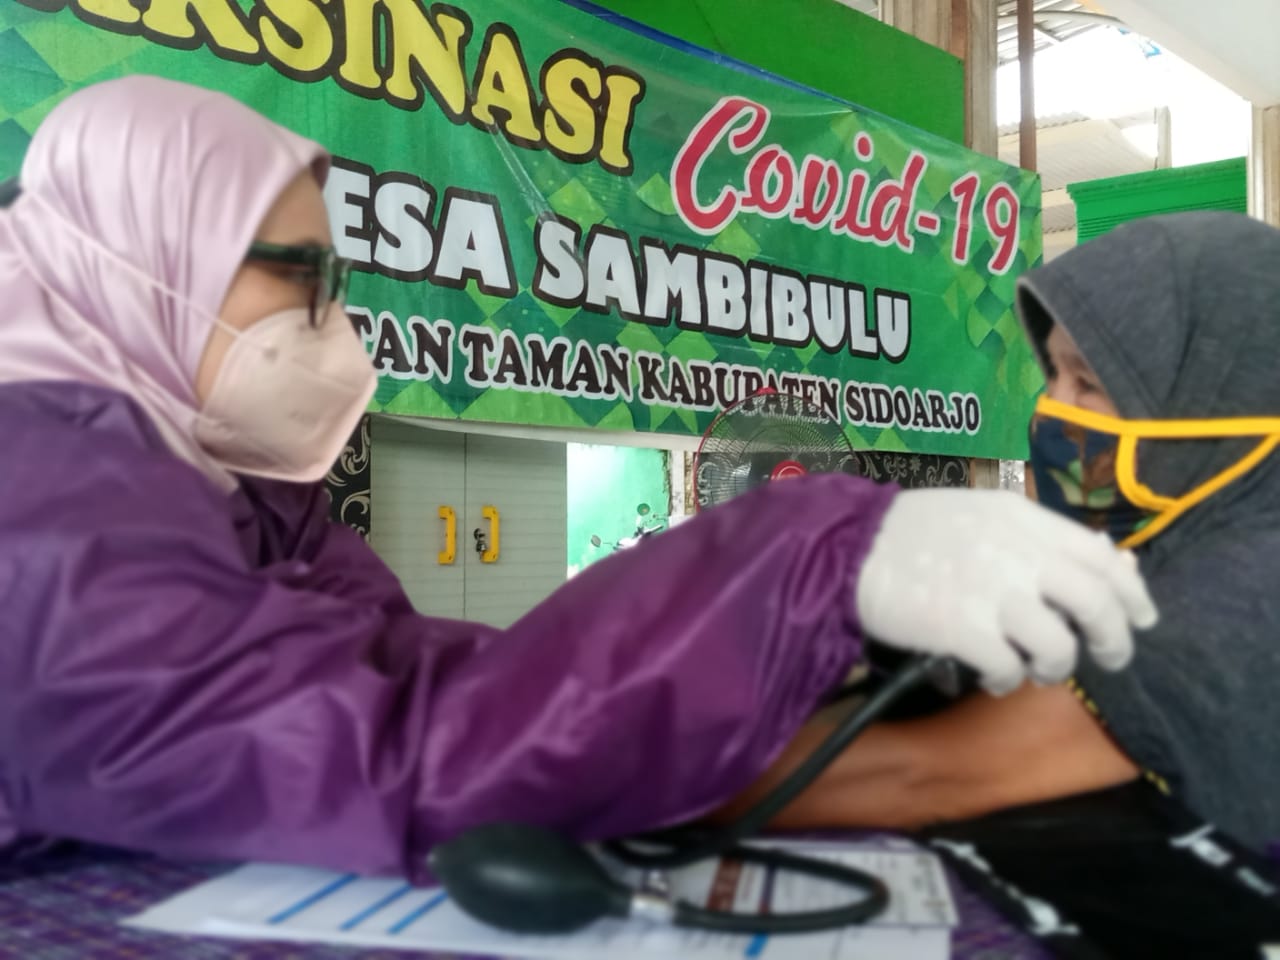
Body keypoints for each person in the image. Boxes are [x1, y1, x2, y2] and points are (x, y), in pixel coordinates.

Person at [0, 76, 1153, 881]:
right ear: (136, 257)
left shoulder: (229, 485)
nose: (333, 324)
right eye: (300, 275)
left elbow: (409, 671)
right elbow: (377, 748)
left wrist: (771, 662)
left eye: (337, 281)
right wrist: (809, 560)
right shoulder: (39, 489)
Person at [740, 210, 1280, 854]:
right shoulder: (1168, 545)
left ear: (1214, 402)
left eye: (1088, 383)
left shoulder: (1244, 592)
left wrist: (649, 766)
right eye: (1053, 376)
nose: (1051, 412)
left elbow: (913, 775)